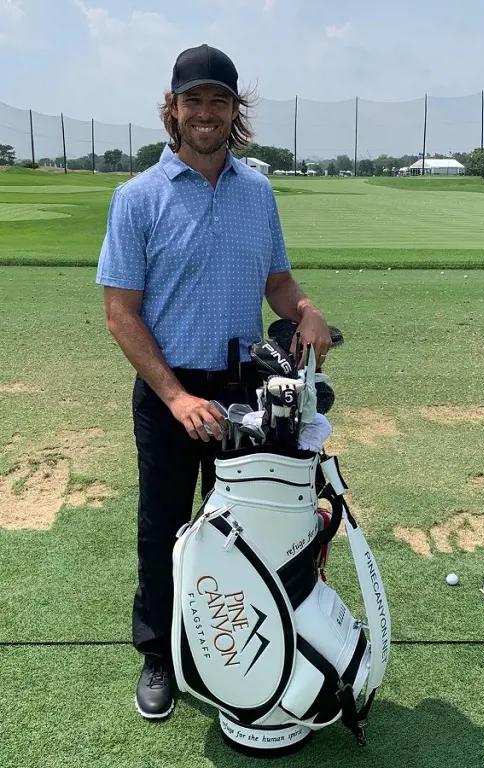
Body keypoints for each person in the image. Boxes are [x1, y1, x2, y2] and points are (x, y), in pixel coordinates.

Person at [96, 43, 334, 720]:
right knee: (165, 528)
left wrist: (308, 310)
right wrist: (174, 397)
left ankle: (233, 652)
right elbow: (120, 313)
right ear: (172, 109)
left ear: (236, 112)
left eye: (219, 101)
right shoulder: (137, 198)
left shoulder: (257, 192)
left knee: (246, 527)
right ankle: (159, 657)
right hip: (171, 391)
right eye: (193, 100)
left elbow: (279, 284)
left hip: (244, 391)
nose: (206, 113)